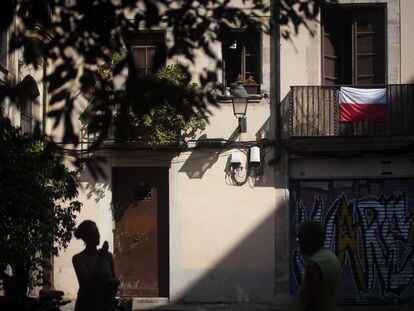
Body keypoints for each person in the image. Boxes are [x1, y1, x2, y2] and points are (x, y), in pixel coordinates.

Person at [296, 220, 341, 311]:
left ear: (307, 240)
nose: (298, 243)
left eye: (299, 238)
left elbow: (311, 304)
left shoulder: (313, 265)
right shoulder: (332, 258)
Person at [72, 220, 116, 311]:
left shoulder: (108, 256)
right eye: (93, 233)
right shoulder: (78, 259)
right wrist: (101, 258)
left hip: (106, 306)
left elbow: (113, 279)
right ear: (86, 238)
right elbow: (89, 285)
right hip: (87, 306)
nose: (97, 235)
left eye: (97, 231)